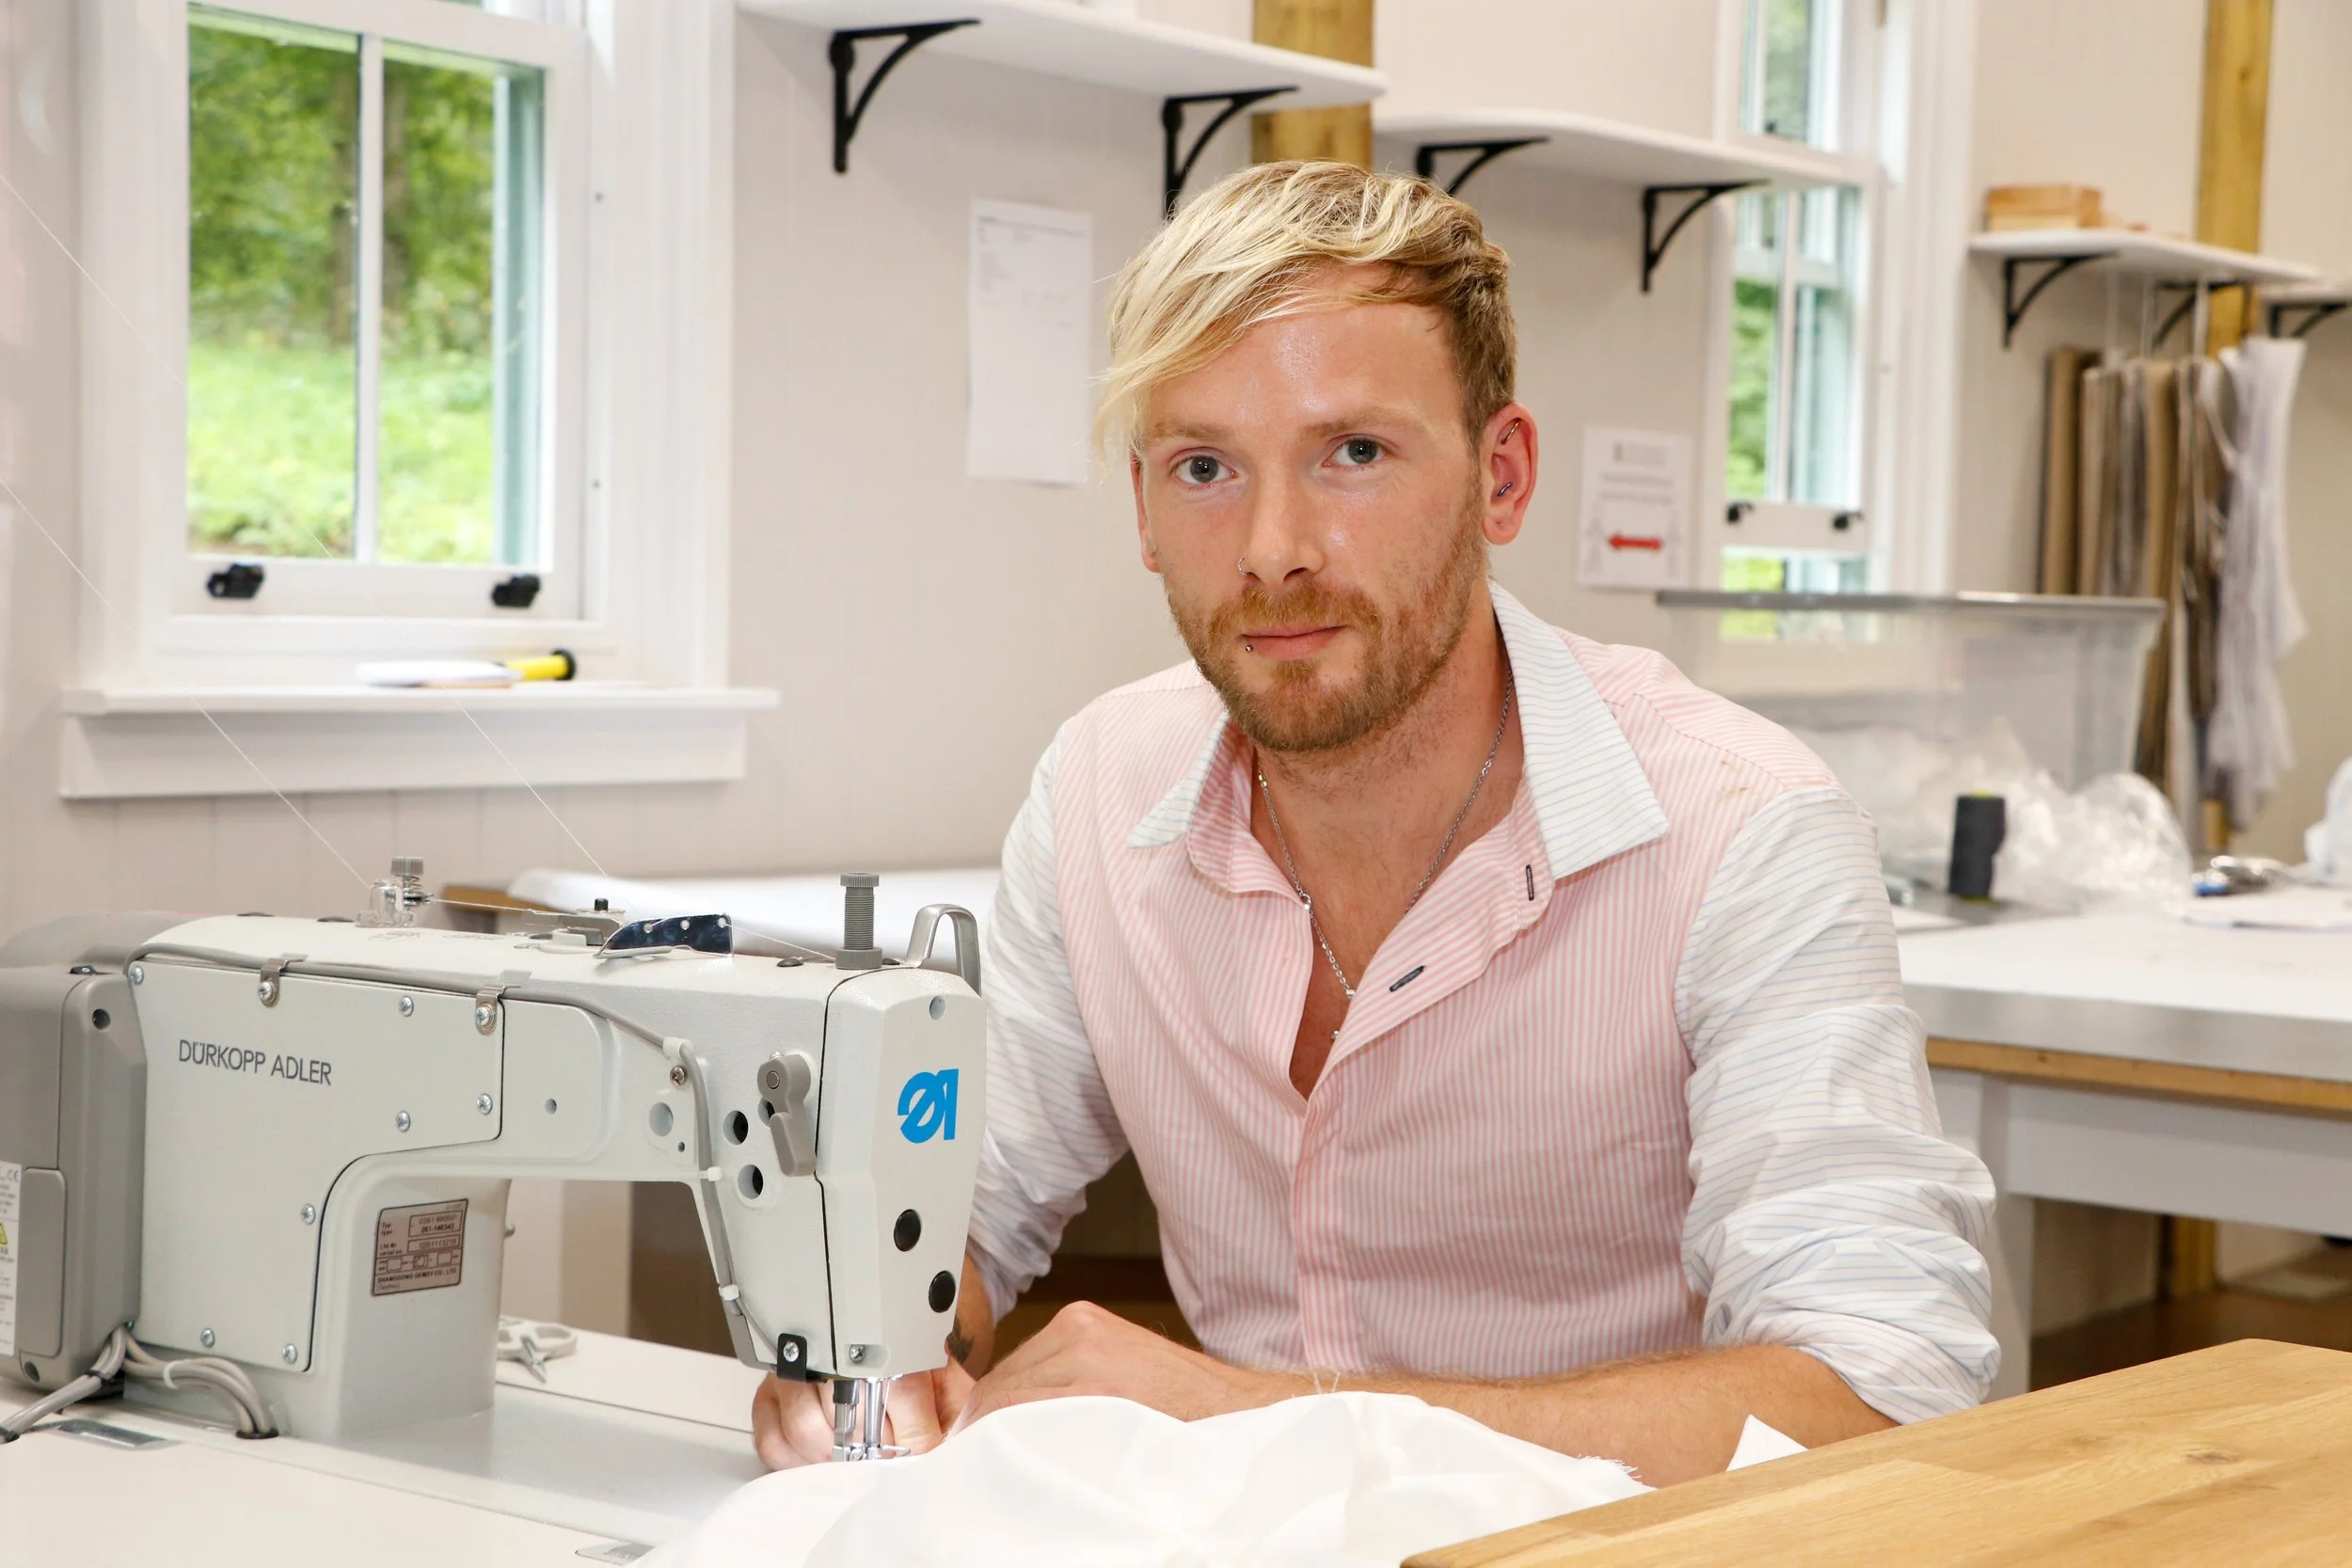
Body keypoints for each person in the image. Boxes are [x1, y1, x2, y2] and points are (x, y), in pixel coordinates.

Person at [754, 161, 1995, 1486]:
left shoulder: (1741, 830)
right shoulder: (1097, 789)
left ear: (1499, 477)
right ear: (1142, 512)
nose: (1274, 546)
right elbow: (956, 1211)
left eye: (1353, 452)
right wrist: (883, 1341)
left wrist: (1261, 1418)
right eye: (1205, 466)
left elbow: (1878, 1400)